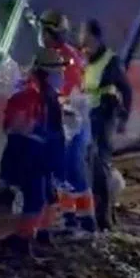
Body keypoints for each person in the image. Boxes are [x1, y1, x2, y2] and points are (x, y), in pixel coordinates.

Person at [0, 43, 67, 252]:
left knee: (47, 194)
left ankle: (42, 233)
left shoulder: (47, 93)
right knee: (36, 196)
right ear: (45, 71)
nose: (61, 75)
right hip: (30, 154)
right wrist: (38, 133)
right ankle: (24, 240)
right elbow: (15, 125)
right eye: (57, 70)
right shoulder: (29, 93)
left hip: (43, 153)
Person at [43, 13, 96, 235]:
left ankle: (86, 222)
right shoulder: (58, 55)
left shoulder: (67, 59)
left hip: (72, 123)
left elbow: (67, 93)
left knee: (73, 170)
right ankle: (70, 219)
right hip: (65, 121)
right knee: (62, 173)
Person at [80, 18, 133, 231]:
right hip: (84, 117)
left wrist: (123, 119)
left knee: (99, 166)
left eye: (85, 36)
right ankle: (91, 212)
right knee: (85, 165)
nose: (82, 40)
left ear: (95, 37)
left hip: (104, 117)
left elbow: (126, 91)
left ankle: (104, 217)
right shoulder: (83, 58)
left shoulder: (111, 61)